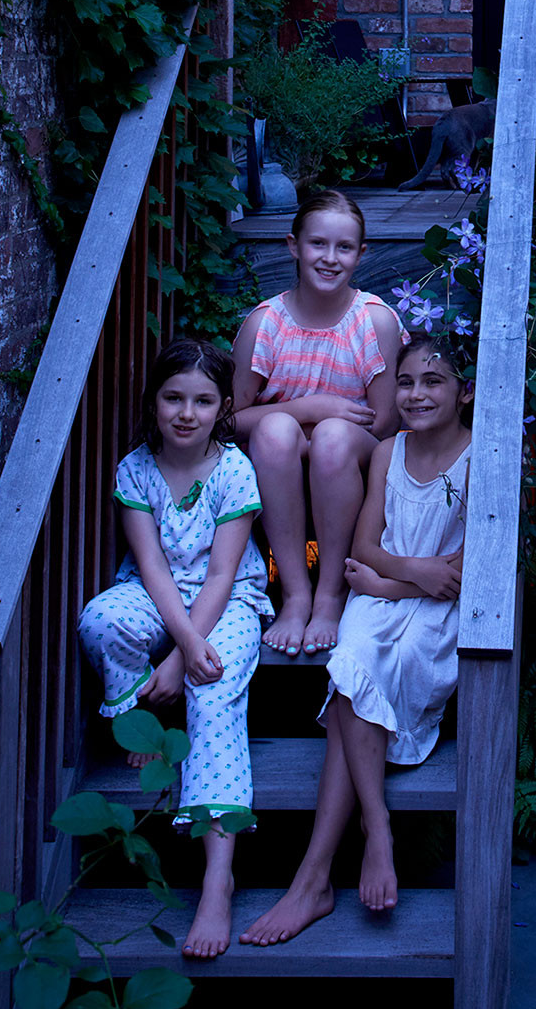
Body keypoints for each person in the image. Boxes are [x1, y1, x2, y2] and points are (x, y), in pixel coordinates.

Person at [240, 337, 472, 946]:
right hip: (383, 595)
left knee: (384, 666)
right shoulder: (389, 451)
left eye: (434, 381)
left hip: (430, 613)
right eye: (406, 382)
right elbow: (363, 547)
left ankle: (313, 878)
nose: (416, 394)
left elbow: (459, 574)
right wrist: (407, 575)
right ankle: (377, 826)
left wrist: (393, 583)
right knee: (350, 659)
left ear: (465, 392)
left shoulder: (479, 458)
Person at [78, 337, 270, 960]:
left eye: (203, 401)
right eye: (173, 398)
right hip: (158, 592)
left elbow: (221, 575)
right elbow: (153, 566)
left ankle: (218, 877)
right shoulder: (136, 469)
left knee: (211, 690)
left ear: (223, 408)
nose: (186, 413)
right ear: (153, 402)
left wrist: (185, 654)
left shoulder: (234, 470)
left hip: (227, 599)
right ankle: (144, 720)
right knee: (102, 619)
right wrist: (177, 643)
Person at [232, 188, 406, 658]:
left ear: (360, 254)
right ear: (293, 246)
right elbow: (231, 419)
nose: (330, 258)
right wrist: (311, 407)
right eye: (318, 244)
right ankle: (295, 595)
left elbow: (384, 423)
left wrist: (323, 425)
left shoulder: (373, 322)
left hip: (354, 455)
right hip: (279, 458)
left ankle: (331, 594)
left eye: (344, 247)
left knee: (330, 437)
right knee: (274, 430)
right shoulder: (265, 325)